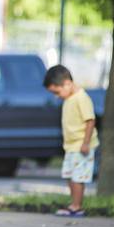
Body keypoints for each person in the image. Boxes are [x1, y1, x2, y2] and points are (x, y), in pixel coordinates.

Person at [44, 64, 99, 217]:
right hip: (71, 146)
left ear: (67, 83)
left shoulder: (82, 98)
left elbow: (90, 120)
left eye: (57, 92)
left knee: (78, 177)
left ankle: (77, 206)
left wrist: (86, 142)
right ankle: (73, 203)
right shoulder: (69, 98)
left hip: (81, 145)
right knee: (70, 175)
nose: (57, 96)